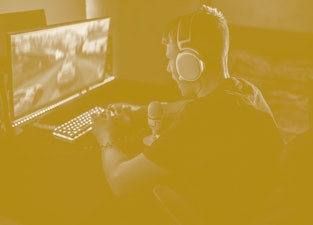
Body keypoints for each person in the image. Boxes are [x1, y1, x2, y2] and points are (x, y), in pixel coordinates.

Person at [92, 5, 284, 225]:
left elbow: (120, 182)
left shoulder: (201, 118)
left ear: (189, 63)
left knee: (110, 205)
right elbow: (192, 106)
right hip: (263, 205)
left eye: (170, 59)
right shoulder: (246, 89)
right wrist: (141, 111)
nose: (168, 69)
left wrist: (105, 136)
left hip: (231, 217)